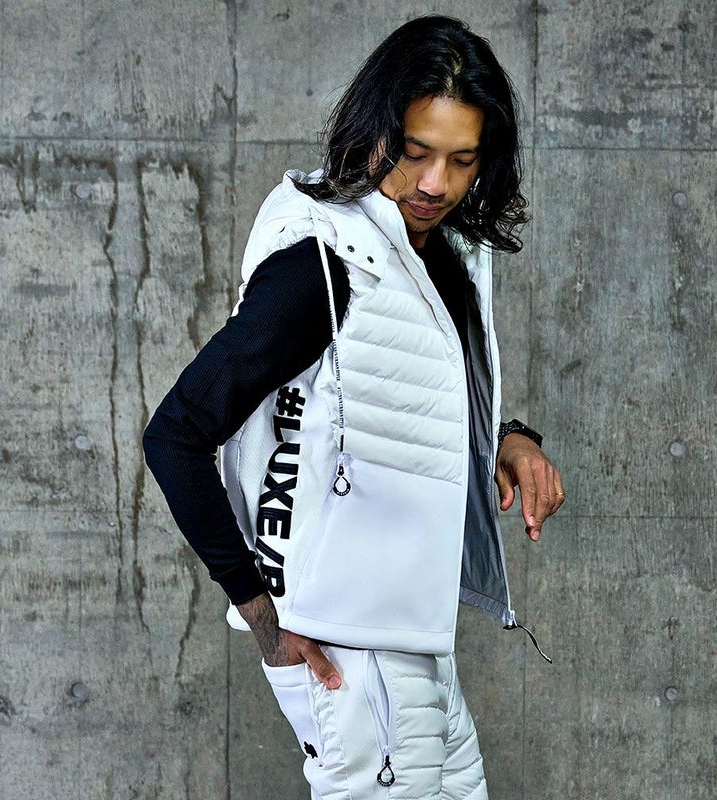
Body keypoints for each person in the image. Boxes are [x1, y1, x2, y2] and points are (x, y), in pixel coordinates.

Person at [143, 15, 564, 800]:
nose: (435, 184)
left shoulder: (435, 253)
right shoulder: (323, 265)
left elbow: (387, 398)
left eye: (462, 160)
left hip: (412, 636)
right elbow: (175, 435)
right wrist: (264, 620)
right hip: (352, 650)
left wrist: (506, 438)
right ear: (375, 131)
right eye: (415, 152)